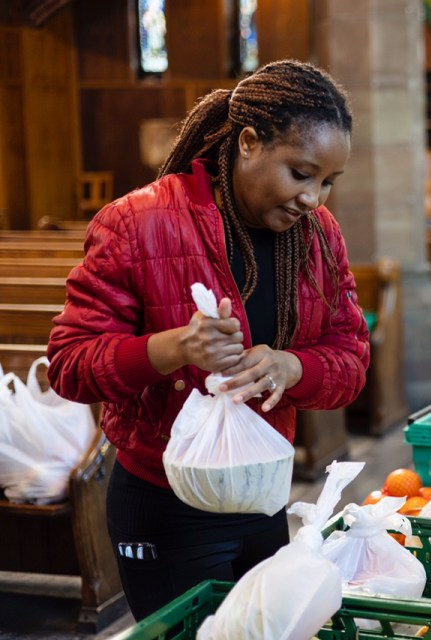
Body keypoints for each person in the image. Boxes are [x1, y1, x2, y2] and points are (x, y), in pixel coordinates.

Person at [46, 59, 370, 620]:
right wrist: (174, 348)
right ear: (248, 142)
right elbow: (70, 364)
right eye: (301, 173)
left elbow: (350, 359)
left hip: (263, 496)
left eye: (328, 182)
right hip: (165, 506)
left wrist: (292, 367)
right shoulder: (138, 223)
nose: (314, 199)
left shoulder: (318, 237)